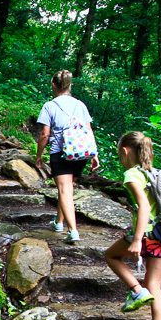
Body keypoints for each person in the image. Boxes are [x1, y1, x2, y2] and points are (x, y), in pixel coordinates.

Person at [104, 131, 161, 320]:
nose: (120, 158)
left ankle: (136, 291)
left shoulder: (133, 175)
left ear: (125, 151)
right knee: (156, 286)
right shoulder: (156, 174)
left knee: (111, 256)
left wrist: (136, 239)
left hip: (148, 235)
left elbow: (144, 207)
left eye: (119, 154)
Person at [34, 70, 99, 243]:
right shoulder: (80, 105)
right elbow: (88, 129)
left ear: (54, 85)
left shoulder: (50, 106)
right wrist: (94, 153)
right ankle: (59, 222)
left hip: (60, 152)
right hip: (81, 152)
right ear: (70, 85)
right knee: (68, 189)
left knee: (64, 190)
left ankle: (73, 231)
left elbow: (44, 134)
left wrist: (39, 155)